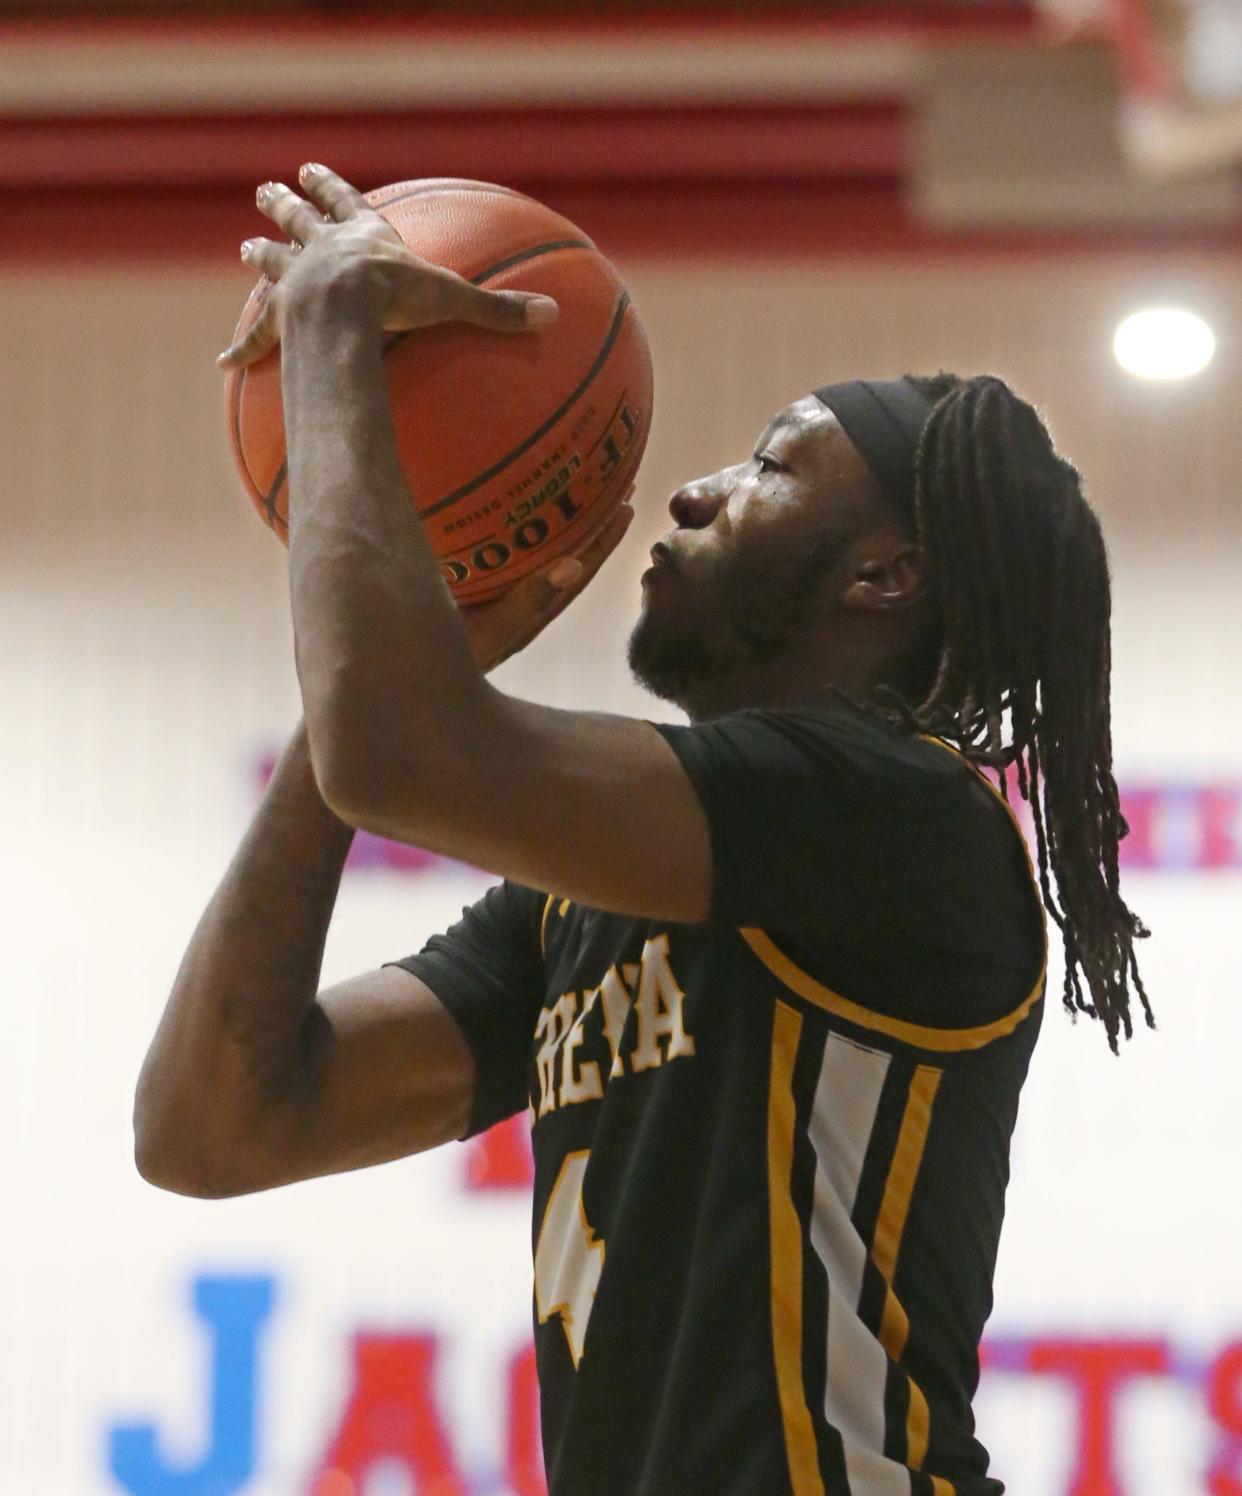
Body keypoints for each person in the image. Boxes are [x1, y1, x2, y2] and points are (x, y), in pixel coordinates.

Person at [135, 165, 1151, 1496]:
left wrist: (331, 344)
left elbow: (404, 751)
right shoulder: (585, 899)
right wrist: (357, 722)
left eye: (771, 467)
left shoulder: (899, 816)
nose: (689, 491)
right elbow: (214, 1127)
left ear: (882, 575)